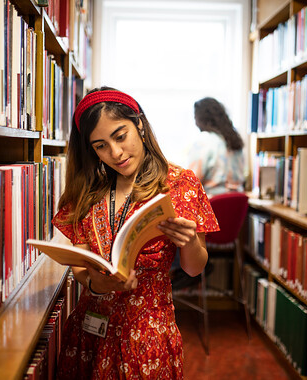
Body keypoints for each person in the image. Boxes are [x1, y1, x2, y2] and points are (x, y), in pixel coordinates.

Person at [52, 87, 219, 379]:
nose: (115, 153)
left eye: (120, 136)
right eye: (100, 146)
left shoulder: (181, 184)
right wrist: (94, 284)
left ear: (139, 124)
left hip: (146, 337)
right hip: (87, 332)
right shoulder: (87, 190)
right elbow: (79, 261)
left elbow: (194, 268)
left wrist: (190, 240)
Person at [185, 97, 246, 197]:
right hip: (236, 206)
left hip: (211, 207)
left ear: (200, 119)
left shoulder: (203, 142)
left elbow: (190, 182)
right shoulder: (235, 142)